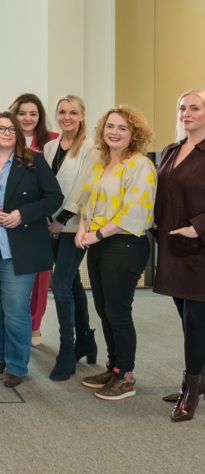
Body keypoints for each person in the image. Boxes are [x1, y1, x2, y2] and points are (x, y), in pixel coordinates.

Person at [0, 111, 63, 388]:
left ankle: (16, 365)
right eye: (1, 128)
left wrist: (23, 214)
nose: (7, 133)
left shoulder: (34, 162)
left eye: (11, 129)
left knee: (16, 307)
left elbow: (54, 197)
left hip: (21, 245)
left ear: (18, 134)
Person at [74, 106, 155, 401]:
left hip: (125, 246)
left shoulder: (141, 165)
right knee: (104, 310)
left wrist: (95, 235)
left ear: (134, 134)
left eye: (123, 128)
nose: (114, 132)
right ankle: (114, 368)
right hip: (99, 245)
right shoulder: (102, 164)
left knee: (118, 313)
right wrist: (82, 228)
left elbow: (133, 213)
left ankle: (126, 376)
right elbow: (86, 203)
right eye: (110, 126)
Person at [154, 89, 205, 421]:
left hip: (200, 248)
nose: (186, 113)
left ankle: (190, 391)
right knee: (185, 315)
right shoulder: (171, 149)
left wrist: (197, 228)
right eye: (182, 108)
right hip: (172, 247)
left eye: (195, 108)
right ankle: (201, 378)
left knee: (195, 319)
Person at [42, 95, 99, 380]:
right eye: (62, 112)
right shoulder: (50, 146)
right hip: (50, 222)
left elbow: (84, 187)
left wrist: (62, 219)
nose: (67, 117)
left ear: (82, 116)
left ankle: (67, 349)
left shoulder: (92, 147)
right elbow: (45, 184)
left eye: (73, 112)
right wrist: (46, 216)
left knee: (61, 284)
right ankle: (86, 340)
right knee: (72, 280)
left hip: (75, 225)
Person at [9, 93, 60, 347]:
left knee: (41, 277)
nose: (27, 118)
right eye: (22, 113)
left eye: (33, 113)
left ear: (40, 117)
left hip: (42, 218)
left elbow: (58, 185)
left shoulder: (53, 141)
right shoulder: (4, 138)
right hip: (10, 219)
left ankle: (35, 324)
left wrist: (52, 216)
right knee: (13, 279)